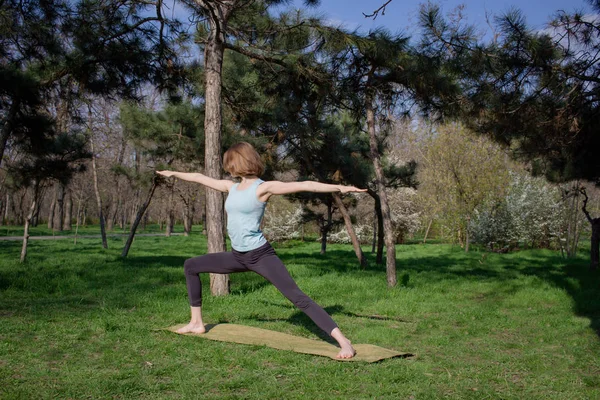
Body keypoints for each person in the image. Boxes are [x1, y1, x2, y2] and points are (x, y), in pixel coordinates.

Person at [157, 142, 366, 359]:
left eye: (229, 163)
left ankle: (344, 342)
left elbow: (307, 185)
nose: (227, 168)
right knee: (191, 265)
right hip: (238, 256)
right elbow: (200, 177)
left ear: (239, 162)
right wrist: (173, 173)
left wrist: (340, 188)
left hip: (260, 256)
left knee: (297, 297)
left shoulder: (263, 188)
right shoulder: (231, 187)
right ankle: (196, 322)